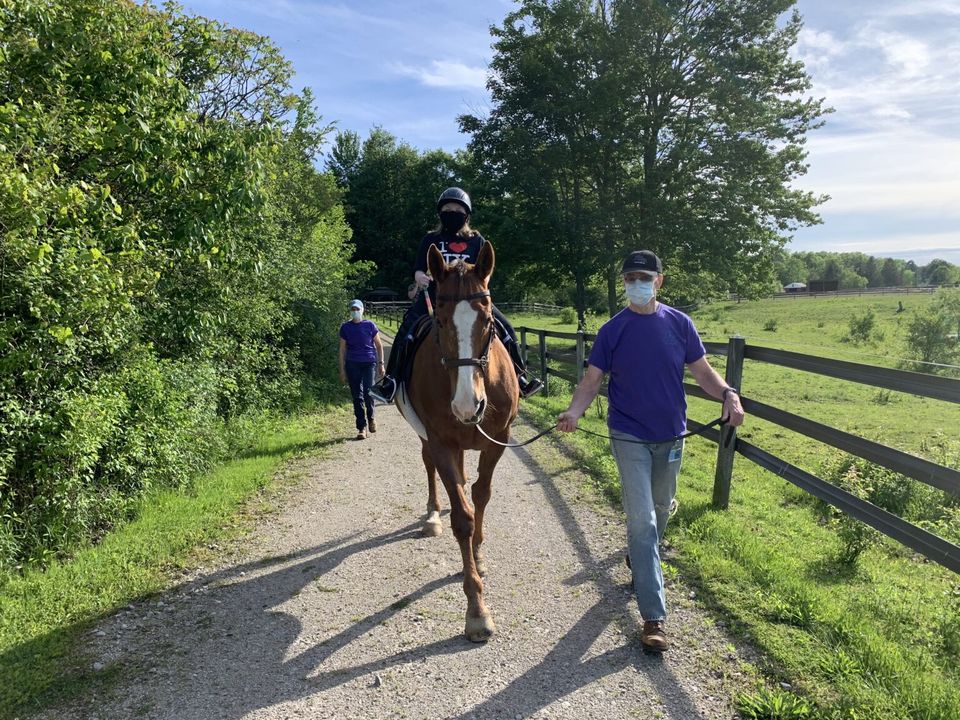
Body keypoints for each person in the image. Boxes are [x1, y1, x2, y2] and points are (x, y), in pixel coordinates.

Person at [556, 250, 745, 653]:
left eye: (643, 277)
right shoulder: (613, 330)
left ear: (659, 281)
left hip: (671, 435)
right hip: (628, 434)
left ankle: (640, 560)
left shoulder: (679, 324)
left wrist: (728, 394)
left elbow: (702, 372)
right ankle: (653, 617)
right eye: (629, 278)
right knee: (641, 519)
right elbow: (592, 380)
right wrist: (574, 411)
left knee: (661, 507)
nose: (635, 283)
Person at [369, 187, 542, 403]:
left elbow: (484, 271)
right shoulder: (431, 239)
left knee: (505, 328)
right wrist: (420, 276)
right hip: (436, 298)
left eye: (457, 209)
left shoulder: (476, 240)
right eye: (447, 209)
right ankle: (391, 381)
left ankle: (520, 377)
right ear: (440, 214)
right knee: (407, 330)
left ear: (466, 214)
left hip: (472, 299)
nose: (452, 212)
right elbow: (419, 268)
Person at [339, 299, 385, 440]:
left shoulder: (370, 325)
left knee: (368, 392)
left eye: (357, 309)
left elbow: (379, 346)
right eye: (353, 309)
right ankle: (361, 427)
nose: (355, 312)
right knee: (357, 396)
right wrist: (342, 369)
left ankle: (371, 418)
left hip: (369, 363)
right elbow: (342, 350)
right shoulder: (345, 327)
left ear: (362, 310)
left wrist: (381, 364)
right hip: (352, 364)